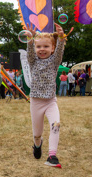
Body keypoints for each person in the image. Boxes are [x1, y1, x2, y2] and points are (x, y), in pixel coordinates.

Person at [26, 22, 65, 168]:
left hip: (50, 102)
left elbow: (60, 51)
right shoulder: (33, 61)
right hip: (36, 102)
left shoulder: (54, 61)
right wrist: (30, 40)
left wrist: (61, 38)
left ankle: (52, 156)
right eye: (39, 46)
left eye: (46, 46)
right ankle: (37, 144)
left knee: (56, 125)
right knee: (37, 133)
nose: (42, 49)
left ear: (53, 48)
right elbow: (30, 52)